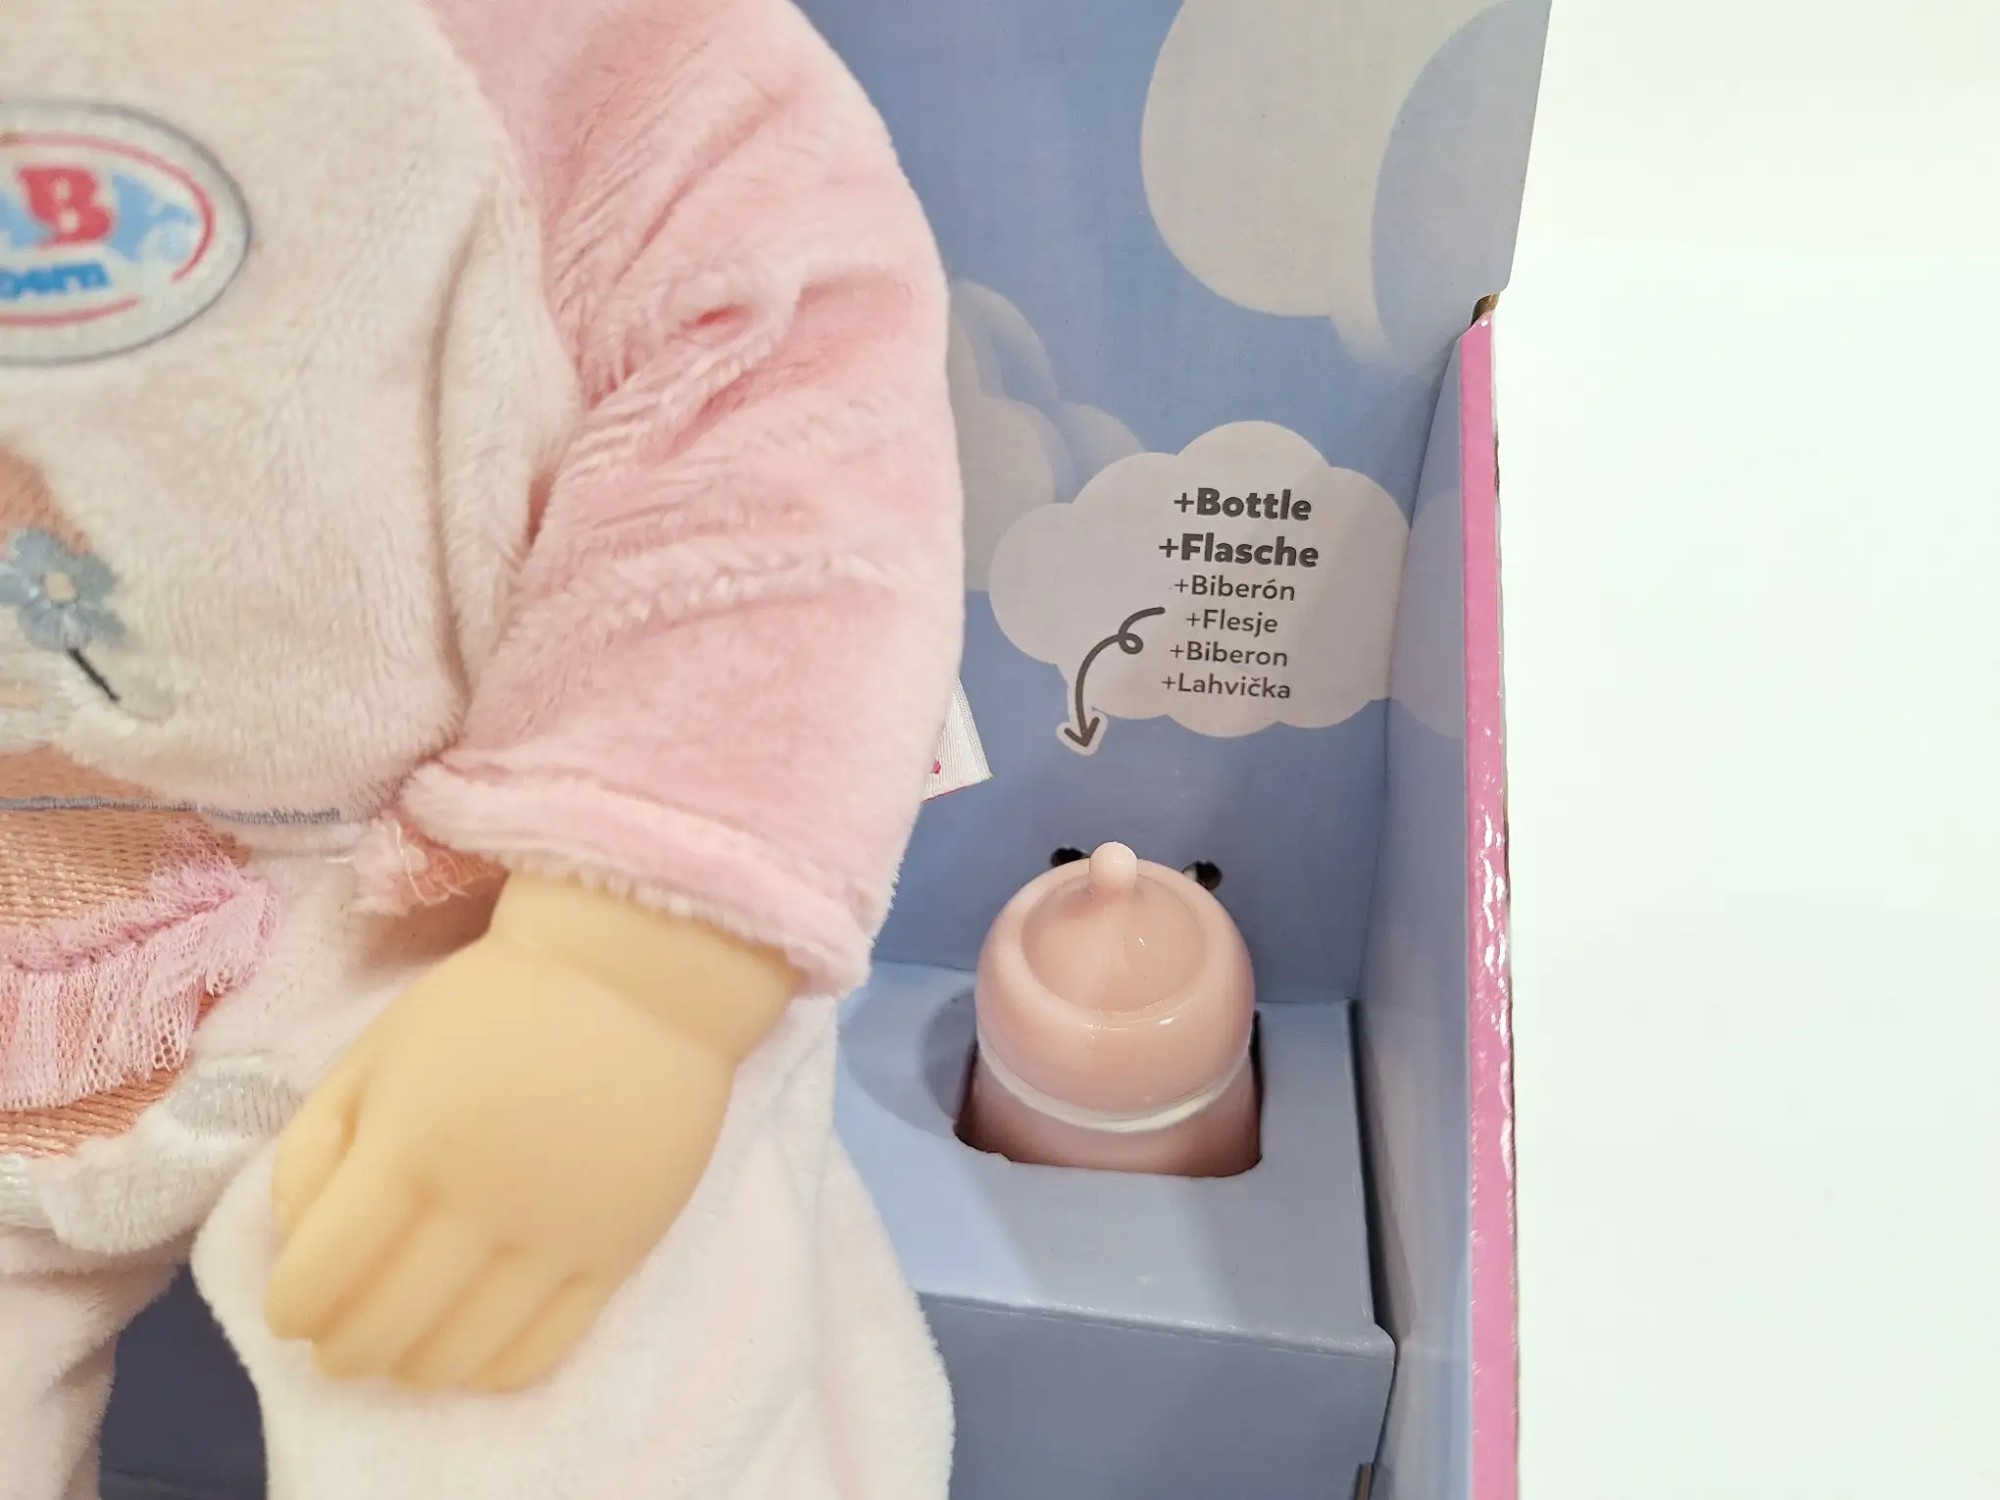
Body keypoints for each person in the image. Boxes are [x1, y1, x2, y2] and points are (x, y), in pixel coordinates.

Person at [0, 1, 962, 1496]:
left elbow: (776, 454)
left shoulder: (607, 54)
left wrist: (633, 982)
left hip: (479, 904)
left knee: (580, 1372)